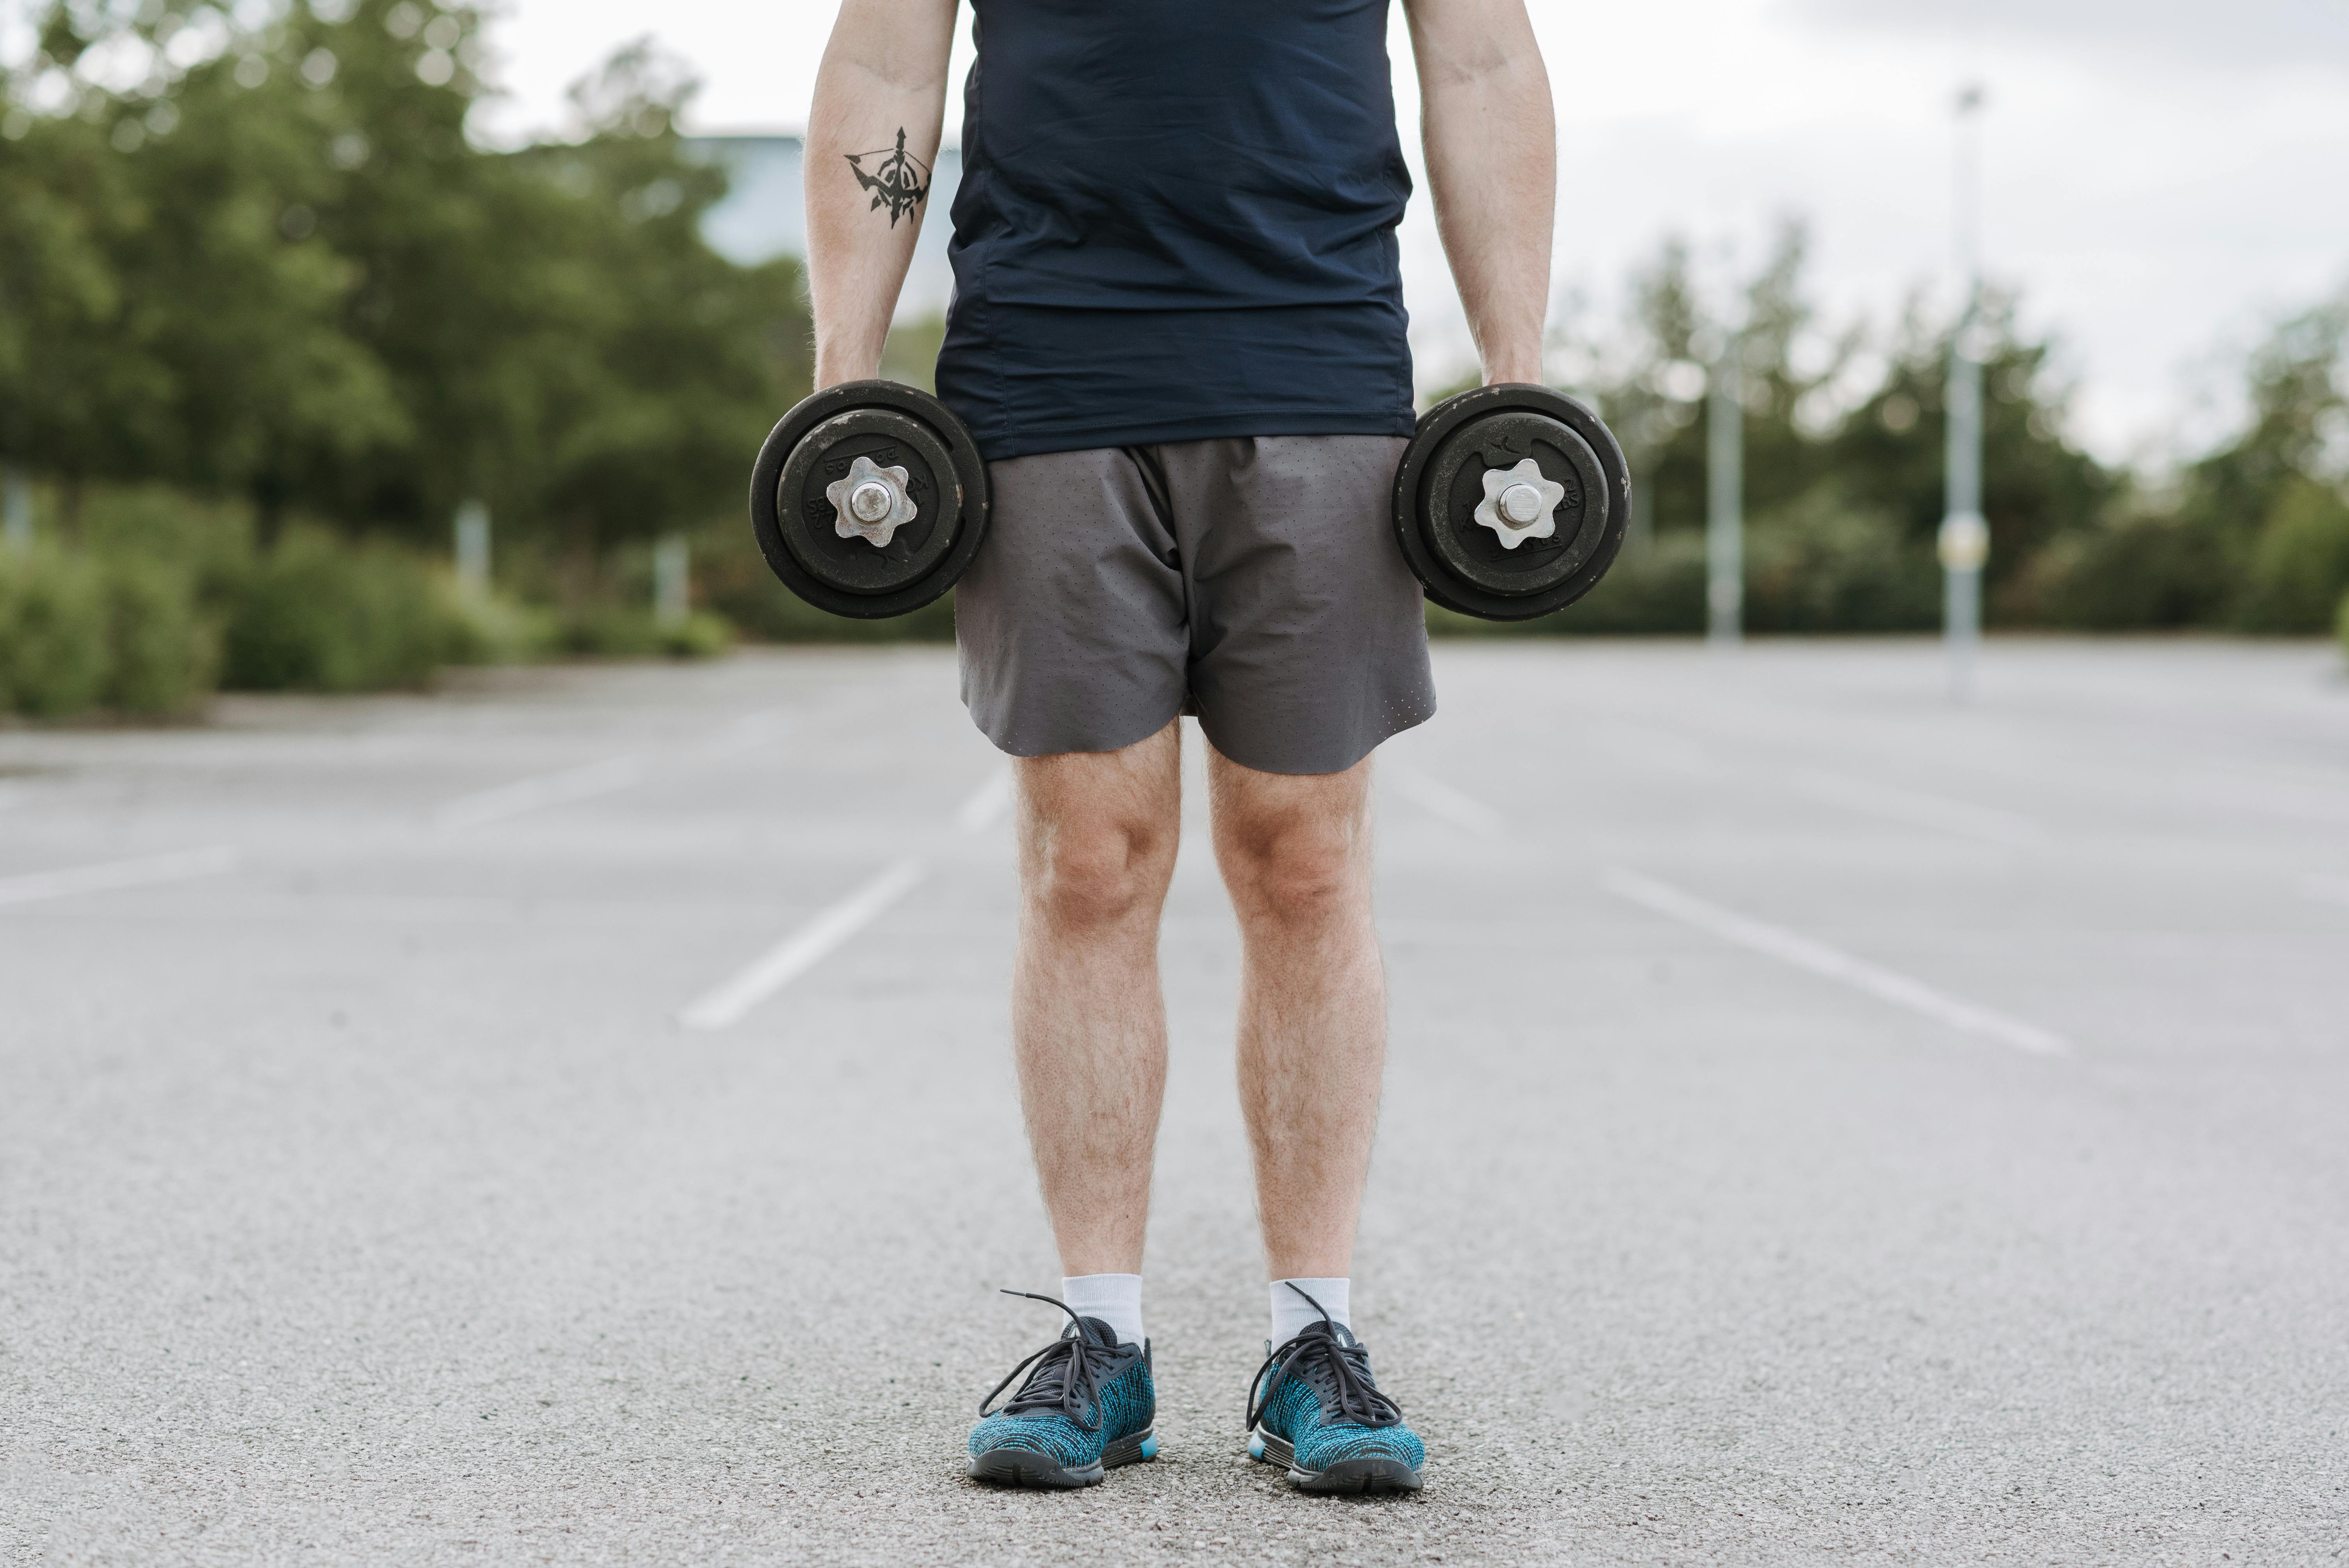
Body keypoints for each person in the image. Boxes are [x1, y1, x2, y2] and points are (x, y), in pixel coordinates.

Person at [804, 0, 1554, 1495]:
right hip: (1047, 378)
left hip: (1318, 366)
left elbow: (1479, 60)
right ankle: (1101, 1343)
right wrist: (847, 366)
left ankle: (1312, 1344)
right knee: (1088, 860)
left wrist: (1515, 366)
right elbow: (885, 60)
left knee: (1304, 859)